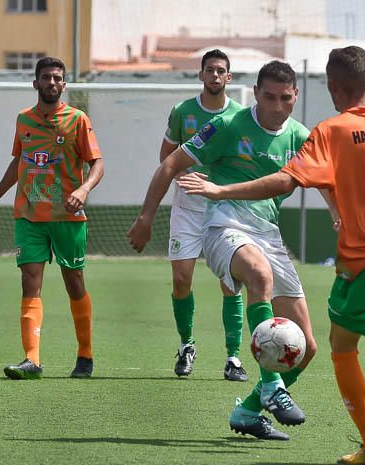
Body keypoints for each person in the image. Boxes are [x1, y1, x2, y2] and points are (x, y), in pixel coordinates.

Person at [177, 46, 365, 465]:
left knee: (339, 348)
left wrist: (220, 190)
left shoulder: (332, 130)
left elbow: (282, 181)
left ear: (330, 87)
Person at [128, 61, 326, 441]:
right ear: (255, 93)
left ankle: (248, 411)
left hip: (267, 232)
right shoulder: (226, 126)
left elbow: (326, 183)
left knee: (307, 347)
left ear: (296, 96)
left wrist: (339, 216)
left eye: (285, 98)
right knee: (258, 275)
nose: (276, 106)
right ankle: (270, 385)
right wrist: (146, 217)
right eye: (269, 97)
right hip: (223, 227)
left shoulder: (301, 136)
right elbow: (172, 162)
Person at [0, 56, 104, 380]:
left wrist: (86, 189)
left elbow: (97, 163)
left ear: (64, 84)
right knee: (29, 282)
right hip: (29, 215)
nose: (52, 82)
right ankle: (32, 360)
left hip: (67, 216)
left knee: (74, 283)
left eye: (57, 78)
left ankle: (85, 355)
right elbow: (19, 161)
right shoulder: (24, 120)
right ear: (35, 83)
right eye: (46, 77)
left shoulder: (77, 120)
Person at [160, 49, 247, 381]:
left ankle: (233, 358)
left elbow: (244, 162)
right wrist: (183, 176)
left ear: (229, 78)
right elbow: (166, 157)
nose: (214, 75)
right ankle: (186, 346)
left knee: (230, 283)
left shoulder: (240, 116)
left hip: (223, 208)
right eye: (209, 70)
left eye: (220, 71)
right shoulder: (183, 112)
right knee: (182, 280)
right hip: (186, 208)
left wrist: (221, 183)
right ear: (201, 75)